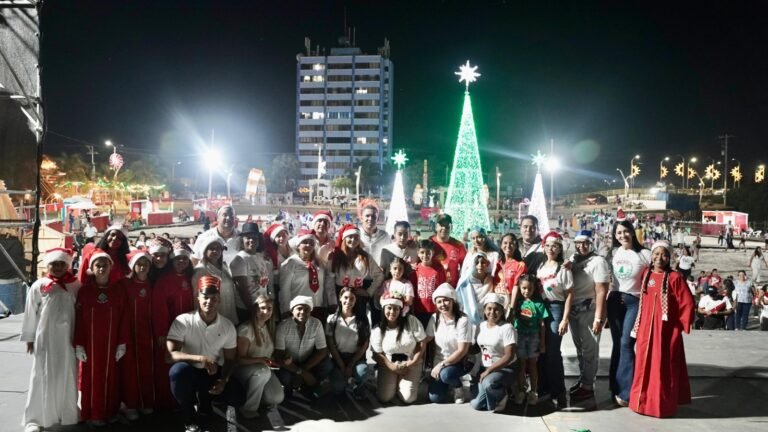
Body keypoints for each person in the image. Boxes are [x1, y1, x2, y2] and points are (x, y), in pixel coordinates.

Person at [167, 276, 245, 432]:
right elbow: (170, 355)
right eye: (205, 297)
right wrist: (200, 358)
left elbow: (230, 359)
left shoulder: (227, 325)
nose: (209, 301)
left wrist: (223, 380)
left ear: (219, 300)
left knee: (238, 396)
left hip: (212, 372)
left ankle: (206, 402)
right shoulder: (183, 320)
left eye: (214, 298)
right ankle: (188, 415)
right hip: (190, 371)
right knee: (178, 372)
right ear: (197, 297)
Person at [629, 241, 695, 418]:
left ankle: (661, 405)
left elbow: (687, 302)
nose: (660, 258)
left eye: (664, 254)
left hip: (665, 331)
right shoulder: (646, 274)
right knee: (643, 364)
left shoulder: (675, 278)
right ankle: (640, 403)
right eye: (656, 254)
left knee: (663, 367)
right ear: (651, 256)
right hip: (644, 329)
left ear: (670, 257)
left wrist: (679, 326)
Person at [21, 248, 81, 432]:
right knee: (42, 374)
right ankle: (36, 418)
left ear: (68, 265)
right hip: (45, 338)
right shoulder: (40, 285)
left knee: (67, 373)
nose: (58, 267)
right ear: (47, 265)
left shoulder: (76, 285)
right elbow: (30, 312)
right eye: (54, 264)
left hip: (69, 338)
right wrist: (30, 338)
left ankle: (68, 414)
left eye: (62, 264)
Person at [74, 249, 129, 425]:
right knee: (92, 380)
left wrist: (122, 343)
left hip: (111, 344)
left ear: (110, 267)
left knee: (112, 379)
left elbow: (124, 318)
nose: (101, 268)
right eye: (98, 265)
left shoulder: (118, 291)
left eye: (105, 265)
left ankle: (110, 412)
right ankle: (93, 414)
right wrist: (79, 344)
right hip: (91, 345)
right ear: (92, 268)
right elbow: (79, 321)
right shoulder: (84, 292)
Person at [608, 220, 651, 407]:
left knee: (627, 343)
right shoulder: (614, 252)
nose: (622, 235)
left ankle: (627, 392)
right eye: (619, 233)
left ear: (632, 232)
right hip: (615, 300)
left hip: (634, 301)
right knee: (618, 344)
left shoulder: (644, 254)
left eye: (626, 231)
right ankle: (615, 387)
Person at [568, 230, 610, 402]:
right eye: (578, 243)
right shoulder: (573, 260)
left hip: (589, 309)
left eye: (585, 243)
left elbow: (601, 290)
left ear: (591, 243)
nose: (582, 246)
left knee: (590, 349)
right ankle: (584, 379)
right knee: (580, 349)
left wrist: (599, 317)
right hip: (573, 310)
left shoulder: (598, 261)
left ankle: (588, 385)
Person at [535, 231, 574, 408]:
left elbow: (569, 295)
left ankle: (559, 392)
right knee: (541, 352)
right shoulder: (540, 267)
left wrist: (565, 319)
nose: (551, 249)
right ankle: (544, 390)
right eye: (548, 246)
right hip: (541, 309)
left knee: (553, 353)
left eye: (555, 246)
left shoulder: (564, 269)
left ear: (560, 249)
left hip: (556, 309)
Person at [371, 294, 428, 404]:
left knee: (408, 398)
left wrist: (412, 362)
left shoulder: (411, 320)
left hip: (411, 362)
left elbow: (422, 342)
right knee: (385, 398)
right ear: (383, 309)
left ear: (400, 310)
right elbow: (377, 354)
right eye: (389, 308)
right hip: (388, 364)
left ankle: (401, 383)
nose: (392, 312)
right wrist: (393, 368)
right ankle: (390, 380)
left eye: (396, 309)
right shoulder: (378, 328)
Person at [120, 251, 156, 420]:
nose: (142, 267)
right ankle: (131, 404)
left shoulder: (152, 283)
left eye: (146, 264)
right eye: (139, 263)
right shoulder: (124, 284)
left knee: (147, 368)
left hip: (147, 332)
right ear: (133, 266)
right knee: (130, 370)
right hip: (129, 332)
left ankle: (146, 401)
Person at [274, 296, 334, 399]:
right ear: (292, 310)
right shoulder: (282, 326)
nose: (302, 312)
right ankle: (290, 388)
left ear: (310, 311)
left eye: (306, 309)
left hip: (308, 362)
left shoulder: (316, 324)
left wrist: (303, 372)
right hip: (289, 364)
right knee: (285, 377)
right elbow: (279, 356)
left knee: (327, 365)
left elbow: (322, 350)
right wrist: (300, 372)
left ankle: (309, 386)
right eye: (299, 309)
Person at [234, 295, 283, 419]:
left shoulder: (269, 327)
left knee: (276, 397)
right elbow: (239, 359)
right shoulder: (245, 329)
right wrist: (261, 360)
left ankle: (254, 393)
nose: (265, 312)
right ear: (255, 310)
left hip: (263, 369)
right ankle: (247, 408)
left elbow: (270, 354)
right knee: (263, 372)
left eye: (269, 308)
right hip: (244, 370)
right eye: (262, 308)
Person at [426, 284, 473, 404]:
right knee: (435, 398)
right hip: (440, 362)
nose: (443, 304)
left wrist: (440, 365)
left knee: (446, 374)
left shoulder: (463, 320)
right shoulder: (434, 318)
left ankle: (458, 387)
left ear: (452, 301)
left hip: (460, 362)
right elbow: (427, 339)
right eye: (439, 302)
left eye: (446, 300)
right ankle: (448, 384)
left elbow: (462, 350)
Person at [471, 293, 517, 412]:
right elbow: (477, 347)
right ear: (484, 310)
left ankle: (503, 395)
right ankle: (494, 395)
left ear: (502, 312)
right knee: (476, 405)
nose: (492, 312)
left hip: (504, 369)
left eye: (496, 310)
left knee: (489, 384)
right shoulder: (481, 326)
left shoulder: (507, 328)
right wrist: (463, 350)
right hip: (485, 369)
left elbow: (509, 356)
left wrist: (489, 371)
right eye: (489, 309)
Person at [330, 224, 384, 318]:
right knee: (341, 322)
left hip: (358, 296)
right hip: (340, 296)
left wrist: (369, 291)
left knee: (359, 323)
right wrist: (332, 299)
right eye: (350, 237)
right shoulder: (336, 256)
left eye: (356, 238)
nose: (353, 240)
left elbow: (379, 275)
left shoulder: (365, 257)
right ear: (344, 238)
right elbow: (329, 278)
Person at [280, 229, 336, 320]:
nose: (308, 245)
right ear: (298, 246)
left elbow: (326, 284)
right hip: (300, 309)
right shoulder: (290, 263)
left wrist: (331, 302)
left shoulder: (319, 263)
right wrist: (285, 310)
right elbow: (284, 290)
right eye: (305, 242)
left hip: (318, 307)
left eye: (311, 243)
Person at [326, 287, 371, 397]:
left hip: (356, 358)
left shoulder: (363, 320)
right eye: (345, 298)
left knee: (363, 371)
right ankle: (343, 383)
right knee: (338, 389)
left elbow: (364, 345)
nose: (348, 301)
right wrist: (342, 365)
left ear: (355, 301)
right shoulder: (331, 319)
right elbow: (331, 344)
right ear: (340, 298)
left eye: (352, 299)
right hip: (339, 358)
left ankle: (359, 386)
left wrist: (351, 365)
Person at [513, 275, 548, 405]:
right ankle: (522, 391)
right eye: (524, 288)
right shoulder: (516, 303)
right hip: (520, 336)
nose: (526, 291)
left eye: (529, 289)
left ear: (534, 289)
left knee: (533, 364)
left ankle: (533, 392)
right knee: (521, 364)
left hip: (534, 336)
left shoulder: (539, 304)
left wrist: (543, 342)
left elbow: (542, 324)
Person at [230, 222, 274, 323]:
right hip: (248, 309)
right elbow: (243, 290)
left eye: (255, 238)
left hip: (262, 307)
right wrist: (252, 310)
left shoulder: (259, 257)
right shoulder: (239, 260)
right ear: (242, 240)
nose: (251, 240)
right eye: (248, 238)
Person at [193, 237, 239, 326]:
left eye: (218, 248)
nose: (215, 251)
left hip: (230, 312)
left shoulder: (224, 267)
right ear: (205, 250)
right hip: (213, 316)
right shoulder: (200, 270)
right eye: (212, 248)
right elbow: (196, 298)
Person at [410, 239, 447, 327]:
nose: (425, 255)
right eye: (422, 252)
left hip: (434, 310)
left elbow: (442, 290)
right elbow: (412, 290)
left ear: (432, 252)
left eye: (428, 253)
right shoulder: (415, 270)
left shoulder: (439, 270)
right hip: (418, 310)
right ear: (418, 253)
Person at [456, 252, 498, 326]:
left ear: (487, 264)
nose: (480, 265)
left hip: (488, 318)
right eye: (477, 262)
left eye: (483, 262)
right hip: (469, 320)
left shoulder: (490, 279)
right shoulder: (464, 282)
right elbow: (459, 303)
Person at [430, 213, 467, 287]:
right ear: (436, 227)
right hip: (432, 288)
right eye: (441, 225)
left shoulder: (459, 246)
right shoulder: (429, 243)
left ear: (451, 227)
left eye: (447, 225)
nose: (444, 228)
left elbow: (466, 267)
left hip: (452, 289)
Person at [0, 228, 28, 315]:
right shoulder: (14, 242)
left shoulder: (14, 242)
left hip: (13, 282)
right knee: (13, 319)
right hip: (11, 283)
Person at [498, 232, 527, 312]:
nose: (508, 246)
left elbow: (516, 287)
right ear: (501, 245)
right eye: (505, 243)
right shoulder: (498, 263)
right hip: (496, 302)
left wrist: (511, 308)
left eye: (511, 243)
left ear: (516, 246)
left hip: (511, 302)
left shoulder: (520, 265)